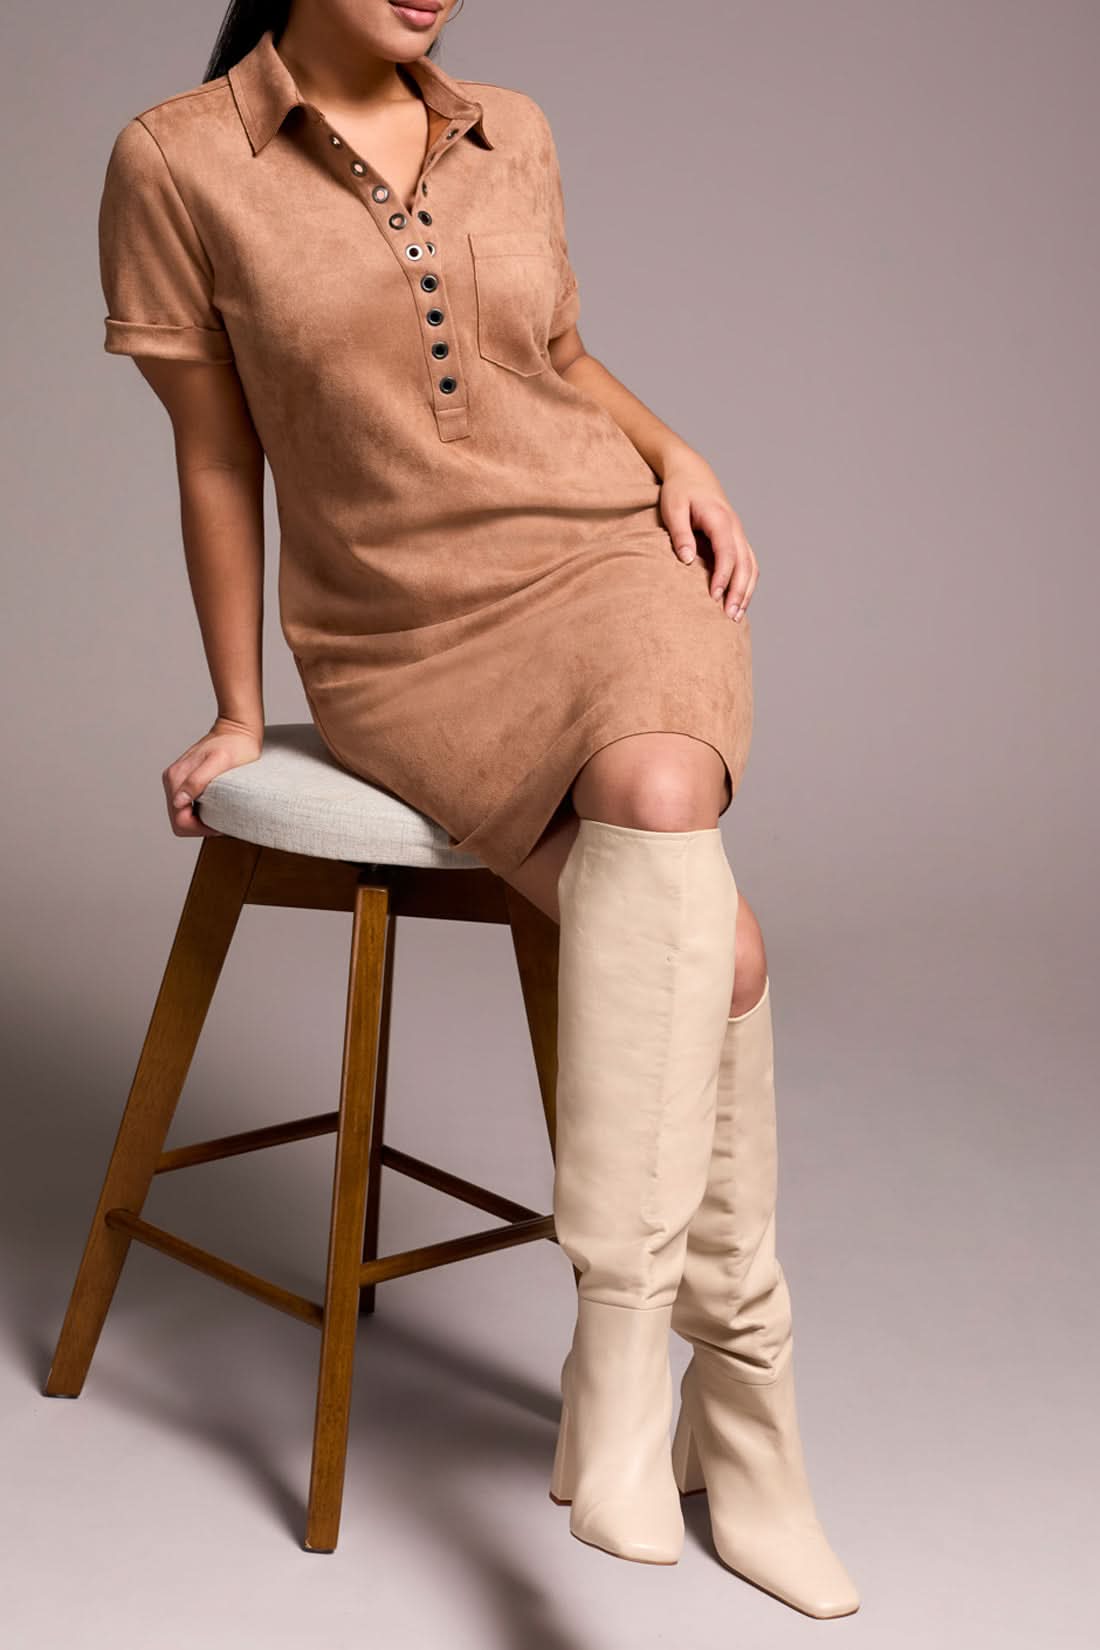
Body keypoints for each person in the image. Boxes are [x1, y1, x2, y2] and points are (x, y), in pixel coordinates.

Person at [96, 0, 859, 1618]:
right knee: (713, 954)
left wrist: (679, 452)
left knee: (661, 785)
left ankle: (625, 1351)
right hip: (402, 626)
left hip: (603, 557)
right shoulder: (177, 160)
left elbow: (560, 363)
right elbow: (217, 458)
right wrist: (240, 705)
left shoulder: (515, 124)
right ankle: (750, 1421)